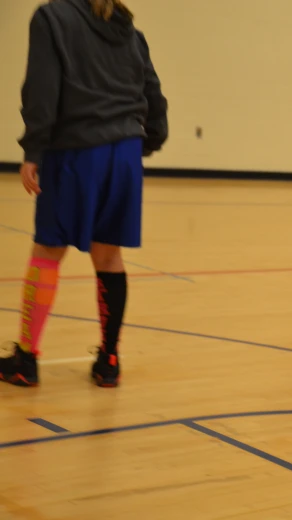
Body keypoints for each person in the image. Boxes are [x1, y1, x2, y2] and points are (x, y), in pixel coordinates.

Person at [0, 0, 168, 388]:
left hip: (76, 151)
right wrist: (146, 141)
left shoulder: (51, 17)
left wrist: (34, 148)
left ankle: (26, 359)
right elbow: (153, 93)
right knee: (108, 255)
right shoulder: (128, 29)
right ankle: (109, 361)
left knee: (48, 250)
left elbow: (42, 87)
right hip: (125, 151)